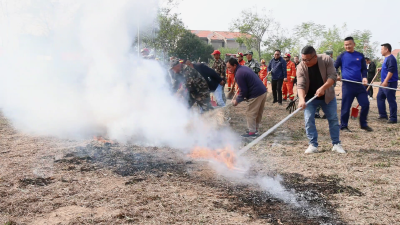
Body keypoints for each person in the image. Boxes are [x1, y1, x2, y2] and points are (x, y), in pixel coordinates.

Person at [297, 46, 345, 154]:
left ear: (315, 57)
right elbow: (300, 84)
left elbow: (332, 76)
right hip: (310, 98)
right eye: (303, 59)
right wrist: (301, 99)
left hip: (327, 96)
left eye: (307, 60)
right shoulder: (301, 66)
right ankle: (313, 144)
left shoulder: (326, 59)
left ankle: (336, 144)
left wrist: (323, 88)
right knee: (309, 119)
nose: (304, 62)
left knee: (333, 119)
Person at [335, 37, 373, 132]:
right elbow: (334, 67)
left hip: (359, 85)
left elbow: (364, 69)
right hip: (348, 85)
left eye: (349, 44)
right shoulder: (342, 56)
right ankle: (343, 126)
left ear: (354, 44)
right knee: (346, 107)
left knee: (365, 104)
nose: (347, 46)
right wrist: (336, 75)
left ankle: (363, 124)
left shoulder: (360, 56)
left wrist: (364, 77)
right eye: (346, 44)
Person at [227, 58, 267, 138]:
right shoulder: (243, 68)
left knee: (250, 113)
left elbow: (244, 91)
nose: (228, 70)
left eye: (229, 67)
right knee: (258, 112)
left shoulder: (239, 74)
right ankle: (255, 129)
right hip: (263, 91)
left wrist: (237, 101)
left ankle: (252, 132)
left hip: (256, 93)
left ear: (235, 65)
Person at [376, 43, 398, 124]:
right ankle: (383, 114)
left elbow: (391, 71)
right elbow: (387, 67)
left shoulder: (391, 58)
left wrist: (385, 81)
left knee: (391, 99)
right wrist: (381, 68)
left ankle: (393, 118)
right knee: (380, 97)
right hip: (384, 83)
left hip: (389, 83)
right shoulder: (386, 58)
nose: (380, 51)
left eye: (382, 49)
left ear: (386, 50)